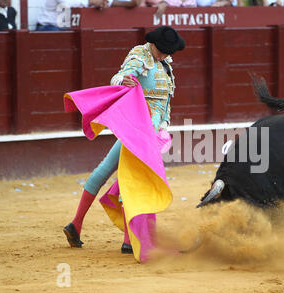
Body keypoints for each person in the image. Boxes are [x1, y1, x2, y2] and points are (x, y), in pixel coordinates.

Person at [63, 26, 185, 260]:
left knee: (111, 172)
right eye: (162, 50)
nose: (164, 54)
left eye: (168, 51)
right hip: (137, 130)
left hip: (152, 133)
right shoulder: (140, 55)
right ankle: (128, 241)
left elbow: (165, 102)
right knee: (134, 179)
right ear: (153, 44)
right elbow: (120, 76)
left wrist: (162, 126)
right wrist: (123, 79)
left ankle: (76, 225)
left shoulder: (165, 63)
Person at [36, 0, 140, 31]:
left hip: (70, 29)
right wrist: (92, 2)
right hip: (49, 27)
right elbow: (66, 4)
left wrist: (130, 3)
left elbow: (107, 2)